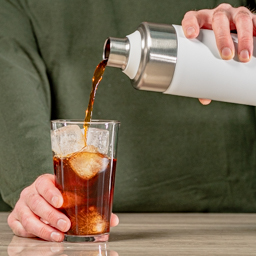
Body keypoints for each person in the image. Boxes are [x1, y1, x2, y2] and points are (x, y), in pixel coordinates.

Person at [0, 0, 255, 242]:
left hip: (238, 226)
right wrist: (42, 195)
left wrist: (246, 38)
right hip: (72, 240)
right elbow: (8, 87)